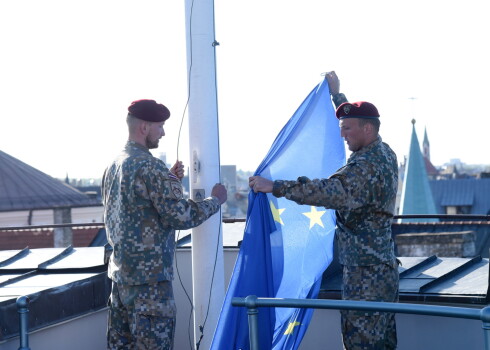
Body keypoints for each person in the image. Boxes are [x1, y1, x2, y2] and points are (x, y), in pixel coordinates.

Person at [249, 72, 399, 349]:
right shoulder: (383, 152)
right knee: (382, 340)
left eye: (347, 129)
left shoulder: (366, 166)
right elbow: (362, 118)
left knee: (363, 342)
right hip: (379, 266)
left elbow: (330, 191)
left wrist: (276, 186)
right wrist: (337, 96)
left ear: (367, 130)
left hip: (366, 274)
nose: (341, 134)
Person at [102, 99, 227, 350]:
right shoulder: (149, 166)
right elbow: (180, 216)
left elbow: (137, 206)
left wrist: (169, 179)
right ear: (144, 127)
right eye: (160, 126)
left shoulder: (115, 165)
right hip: (149, 288)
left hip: (121, 283)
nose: (163, 132)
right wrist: (216, 201)